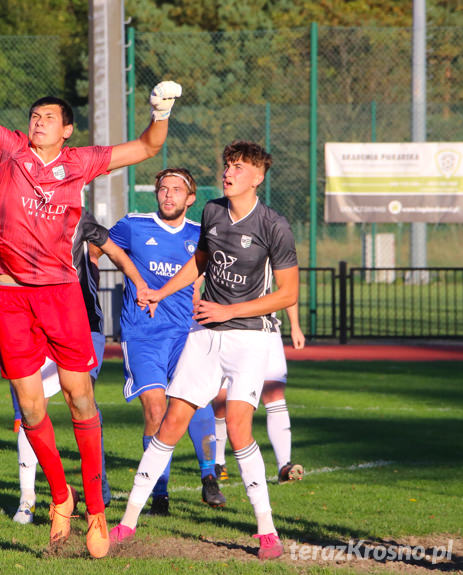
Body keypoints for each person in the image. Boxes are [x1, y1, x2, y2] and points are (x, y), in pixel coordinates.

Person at [0, 44, 180, 559]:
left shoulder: (81, 162)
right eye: (34, 116)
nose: (38, 122)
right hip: (13, 298)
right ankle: (60, 497)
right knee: (31, 407)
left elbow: (148, 148)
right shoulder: (8, 151)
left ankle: (96, 508)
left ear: (67, 129)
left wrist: (161, 113)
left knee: (80, 398)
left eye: (49, 118)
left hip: (62, 295)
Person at [109, 141, 298, 561]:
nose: (229, 172)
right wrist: (161, 290)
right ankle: (127, 522)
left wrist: (230, 309)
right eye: (227, 165)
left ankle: (266, 529)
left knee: (237, 425)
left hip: (248, 338)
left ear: (258, 177)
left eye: (239, 167)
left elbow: (287, 294)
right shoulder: (211, 212)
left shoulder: (274, 225)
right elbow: (200, 262)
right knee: (172, 421)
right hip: (205, 333)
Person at [9, 210, 148, 523]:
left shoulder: (78, 219)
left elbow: (115, 250)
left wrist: (138, 282)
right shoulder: (19, 217)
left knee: (83, 403)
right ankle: (27, 499)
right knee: (31, 409)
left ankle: (96, 492)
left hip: (85, 329)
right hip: (37, 327)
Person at [108, 168, 225, 516]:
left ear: (191, 198)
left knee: (196, 401)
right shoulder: (133, 224)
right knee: (156, 408)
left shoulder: (200, 235)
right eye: (163, 189)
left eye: (177, 190)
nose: (168, 195)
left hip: (186, 334)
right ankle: (160, 493)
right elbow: (101, 249)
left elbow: (206, 274)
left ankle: (209, 476)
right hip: (142, 334)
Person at [213, 303, 305, 483]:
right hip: (228, 331)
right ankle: (218, 462)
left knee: (274, 393)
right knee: (221, 400)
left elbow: (288, 288)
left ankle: (284, 466)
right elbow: (196, 282)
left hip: (267, 330)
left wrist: (295, 325)